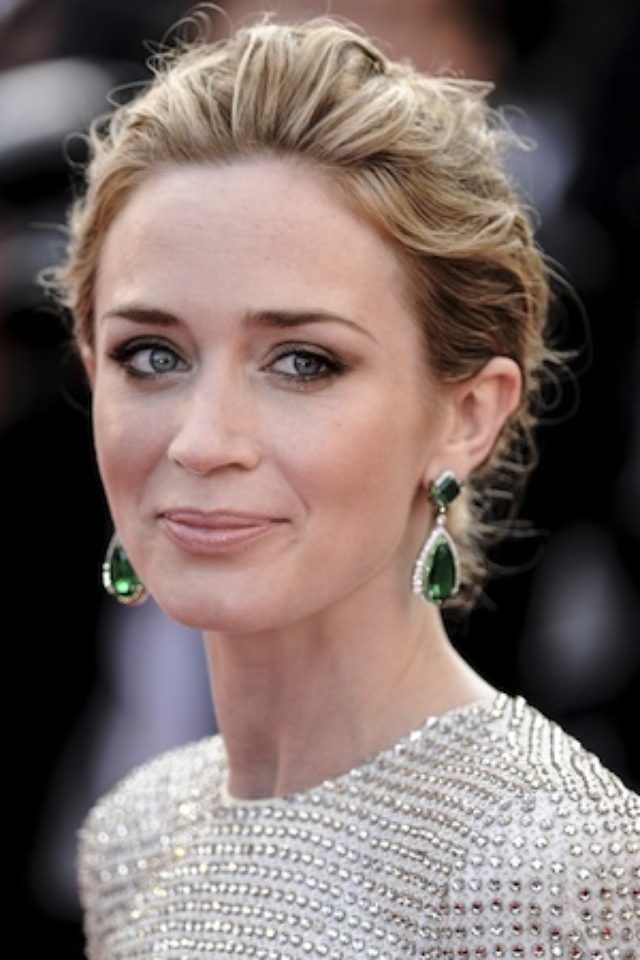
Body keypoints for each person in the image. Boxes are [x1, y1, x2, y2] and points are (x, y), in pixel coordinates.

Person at [47, 15, 639, 959]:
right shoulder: (135, 836)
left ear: (466, 415)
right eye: (152, 355)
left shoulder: (544, 861)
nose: (202, 442)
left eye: (303, 362)